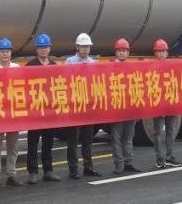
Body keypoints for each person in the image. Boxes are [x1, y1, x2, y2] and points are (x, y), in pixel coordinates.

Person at [65, 32, 102, 179]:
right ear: (77, 47)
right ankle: (73, 169)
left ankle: (88, 167)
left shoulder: (93, 63)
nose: (85, 49)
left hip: (88, 106)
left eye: (87, 46)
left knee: (87, 139)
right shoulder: (70, 62)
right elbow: (66, 82)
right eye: (83, 46)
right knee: (73, 140)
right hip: (75, 105)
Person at [25, 32, 60, 184]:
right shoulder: (30, 66)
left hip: (49, 111)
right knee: (32, 143)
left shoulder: (54, 66)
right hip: (35, 110)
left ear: (50, 48)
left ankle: (48, 170)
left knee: (48, 142)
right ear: (36, 49)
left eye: (46, 47)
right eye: (41, 47)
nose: (44, 49)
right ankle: (33, 172)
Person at [0, 37, 23, 188]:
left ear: (11, 53)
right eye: (2, 51)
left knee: (13, 146)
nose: (5, 54)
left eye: (7, 51)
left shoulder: (17, 68)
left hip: (13, 112)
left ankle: (11, 174)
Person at [108, 38, 141, 176]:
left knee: (128, 137)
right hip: (117, 109)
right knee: (116, 138)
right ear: (116, 52)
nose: (122, 53)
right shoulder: (109, 68)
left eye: (124, 50)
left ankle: (128, 162)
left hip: (130, 109)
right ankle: (119, 164)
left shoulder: (132, 68)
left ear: (128, 52)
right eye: (119, 50)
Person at [150, 39, 181, 169]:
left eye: (163, 51)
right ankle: (159, 158)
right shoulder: (150, 67)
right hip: (158, 104)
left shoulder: (172, 66)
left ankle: (169, 156)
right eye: (159, 51)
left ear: (167, 53)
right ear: (155, 53)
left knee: (170, 131)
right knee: (158, 132)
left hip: (170, 102)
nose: (161, 53)